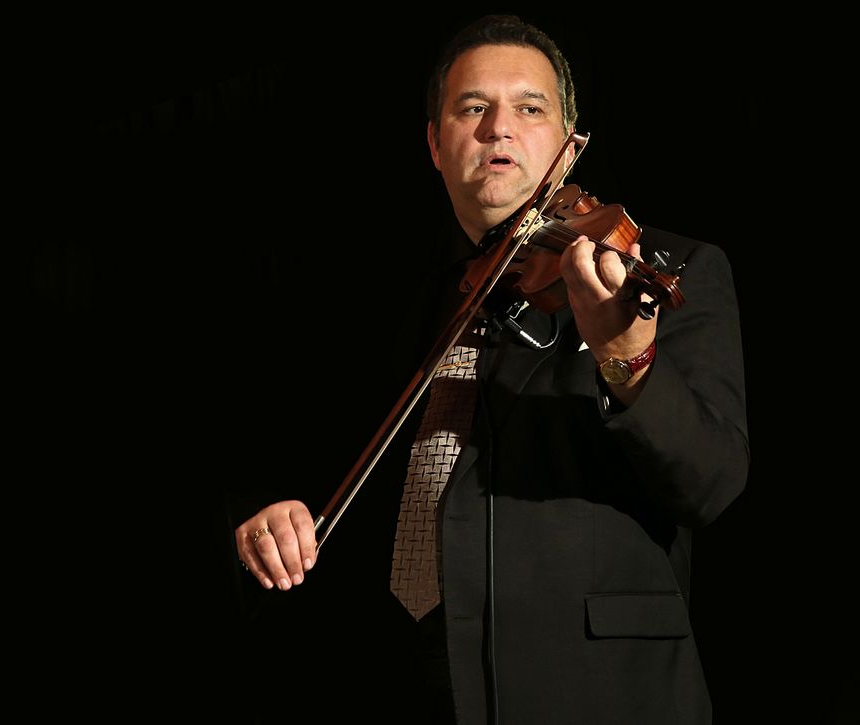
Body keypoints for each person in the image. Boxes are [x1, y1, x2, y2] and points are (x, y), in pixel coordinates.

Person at [231, 14, 748, 725]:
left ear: (568, 144)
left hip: (595, 689)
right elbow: (323, 470)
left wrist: (627, 358)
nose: (499, 128)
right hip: (406, 683)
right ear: (435, 145)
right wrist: (277, 515)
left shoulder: (661, 269)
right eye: (472, 108)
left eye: (529, 109)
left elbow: (712, 479)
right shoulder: (403, 302)